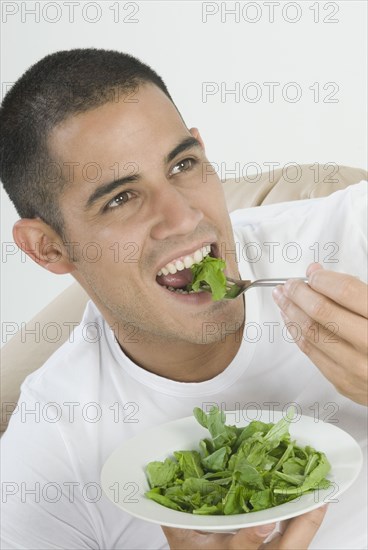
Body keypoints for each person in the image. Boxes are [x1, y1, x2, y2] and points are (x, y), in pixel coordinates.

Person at [0, 48, 366, 550]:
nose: (183, 219)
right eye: (121, 198)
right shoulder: (50, 458)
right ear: (48, 247)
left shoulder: (351, 237)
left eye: (181, 165)